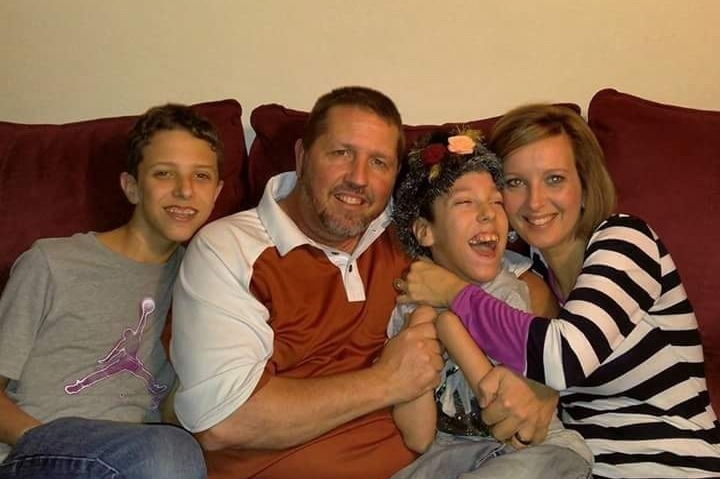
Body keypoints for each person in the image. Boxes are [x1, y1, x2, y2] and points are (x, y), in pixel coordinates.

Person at [397, 104, 720, 479]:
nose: (535, 201)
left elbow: (564, 357)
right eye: (516, 183)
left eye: (554, 179)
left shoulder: (626, 240)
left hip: (675, 467)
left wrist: (451, 292)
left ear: (584, 186)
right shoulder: (527, 278)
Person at [170, 86, 444, 479]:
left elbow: (501, 271)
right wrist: (389, 381)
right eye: (341, 153)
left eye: (379, 162)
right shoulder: (230, 249)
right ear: (301, 157)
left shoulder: (406, 232)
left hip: (426, 464)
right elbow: (225, 421)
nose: (359, 178)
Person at [0, 103, 224, 479]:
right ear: (131, 187)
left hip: (141, 464)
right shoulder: (54, 262)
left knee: (174, 452)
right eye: (164, 173)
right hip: (34, 455)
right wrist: (47, 442)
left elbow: (178, 410)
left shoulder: (206, 284)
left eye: (200, 176)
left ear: (217, 193)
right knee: (168, 454)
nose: (185, 190)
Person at [388, 129, 592, 478]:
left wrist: (448, 328)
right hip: (454, 454)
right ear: (425, 232)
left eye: (497, 202)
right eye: (465, 203)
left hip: (536, 449)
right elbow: (419, 437)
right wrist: (418, 333)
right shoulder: (407, 311)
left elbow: (508, 417)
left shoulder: (506, 296)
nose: (487, 214)